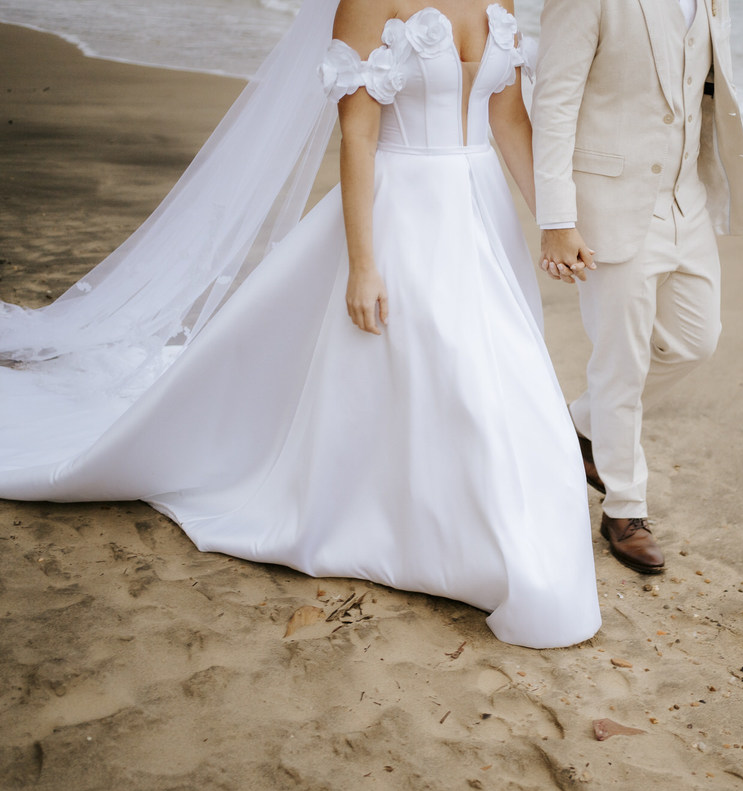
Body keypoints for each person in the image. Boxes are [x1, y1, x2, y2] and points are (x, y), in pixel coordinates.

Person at [0, 0, 601, 649]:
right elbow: (360, 136)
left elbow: (508, 118)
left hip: (481, 212)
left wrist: (554, 223)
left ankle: (495, 528)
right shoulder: (368, 4)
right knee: (448, 371)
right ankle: (469, 543)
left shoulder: (498, 0)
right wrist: (364, 265)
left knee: (504, 372)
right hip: (402, 215)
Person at [531, 0, 743, 574]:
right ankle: (624, 508)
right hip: (609, 201)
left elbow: (718, 96)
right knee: (621, 360)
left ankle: (582, 424)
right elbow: (554, 101)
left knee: (698, 340)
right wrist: (557, 220)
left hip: (685, 200)